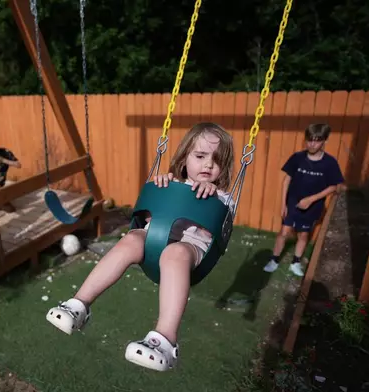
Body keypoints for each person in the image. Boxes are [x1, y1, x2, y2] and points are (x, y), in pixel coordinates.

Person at [45, 122, 236, 372]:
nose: (208, 165)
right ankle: (79, 305)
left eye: (217, 160)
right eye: (200, 156)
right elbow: (148, 218)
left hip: (191, 251)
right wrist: (161, 190)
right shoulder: (170, 183)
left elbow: (218, 226)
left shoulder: (221, 197)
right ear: (184, 158)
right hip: (153, 240)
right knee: (131, 240)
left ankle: (165, 340)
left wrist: (211, 195)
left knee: (174, 253)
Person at [263, 123, 344, 277]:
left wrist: (311, 199)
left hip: (313, 207)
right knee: (284, 232)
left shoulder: (330, 163)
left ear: (325, 141)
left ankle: (295, 262)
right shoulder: (297, 158)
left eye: (317, 140)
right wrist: (283, 205)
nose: (312, 144)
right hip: (292, 203)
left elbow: (333, 186)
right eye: (309, 140)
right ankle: (274, 260)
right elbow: (286, 181)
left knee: (303, 234)